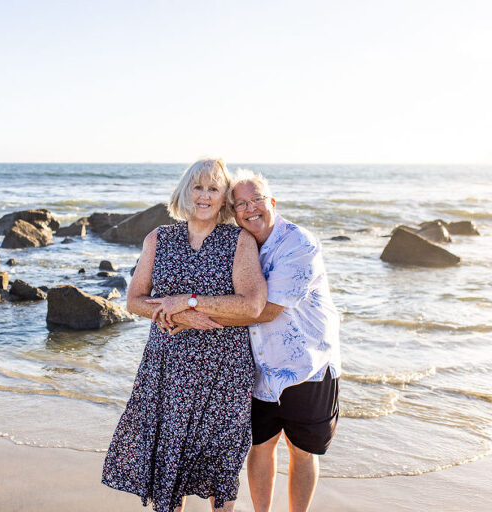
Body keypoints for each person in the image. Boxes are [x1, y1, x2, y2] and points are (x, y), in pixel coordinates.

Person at [101, 158, 267, 512]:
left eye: (213, 189)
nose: (204, 196)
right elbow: (134, 301)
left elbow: (253, 305)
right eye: (198, 187)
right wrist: (184, 317)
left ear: (224, 198)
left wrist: (190, 302)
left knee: (220, 463)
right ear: (185, 192)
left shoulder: (239, 240)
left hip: (223, 370)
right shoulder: (158, 238)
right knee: (170, 461)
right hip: (168, 368)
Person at [226, 169, 342, 512]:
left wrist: (194, 314)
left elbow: (267, 310)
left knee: (301, 451)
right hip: (261, 370)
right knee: (261, 444)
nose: (250, 208)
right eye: (241, 204)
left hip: (307, 365)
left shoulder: (298, 243)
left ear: (272, 202)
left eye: (257, 199)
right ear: (234, 213)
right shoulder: (239, 245)